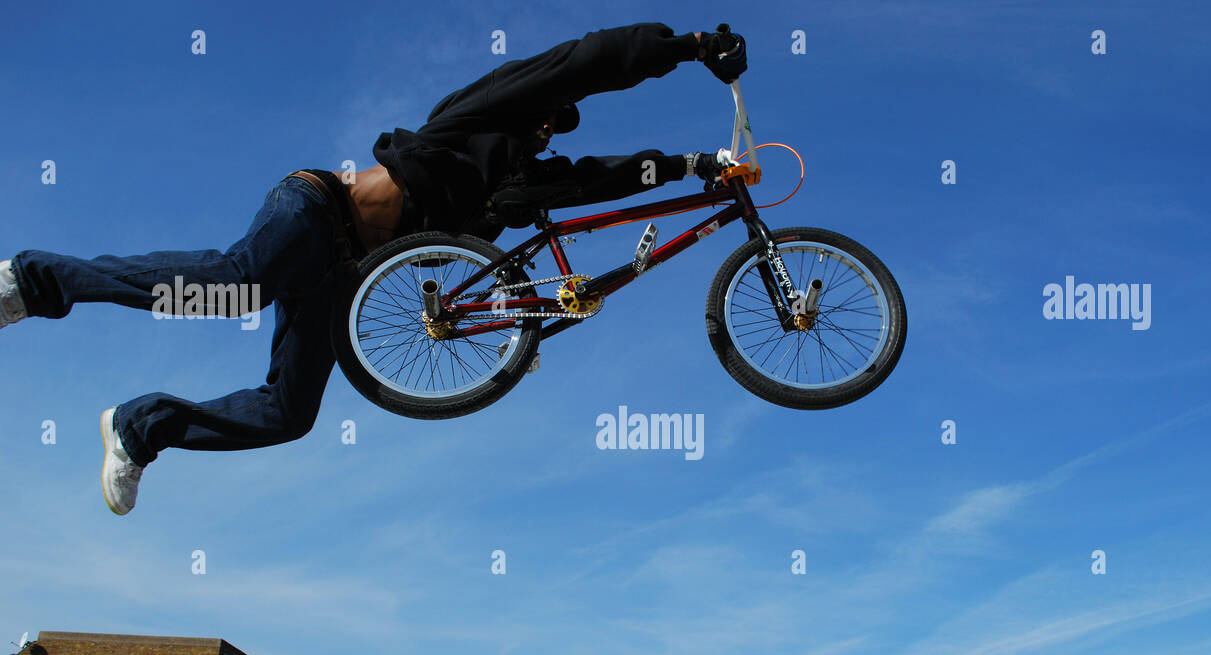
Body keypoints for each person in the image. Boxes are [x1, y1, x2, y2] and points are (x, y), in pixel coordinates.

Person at [0, 22, 746, 516]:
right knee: (237, 286)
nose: (547, 132)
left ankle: (140, 426)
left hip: (343, 279)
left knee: (288, 415)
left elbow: (600, 178)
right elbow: (587, 61)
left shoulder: (510, 190)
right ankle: (31, 281)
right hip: (318, 210)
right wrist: (686, 47)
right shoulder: (484, 114)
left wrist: (701, 165)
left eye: (553, 132)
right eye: (549, 120)